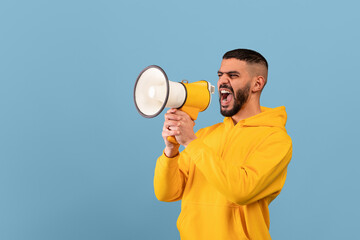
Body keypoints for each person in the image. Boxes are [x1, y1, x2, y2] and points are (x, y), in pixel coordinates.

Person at [153, 49, 293, 240]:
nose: (222, 81)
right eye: (220, 75)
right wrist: (171, 151)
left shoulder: (275, 140)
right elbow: (166, 193)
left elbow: (241, 191)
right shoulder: (204, 136)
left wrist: (191, 142)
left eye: (233, 75)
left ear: (257, 83)